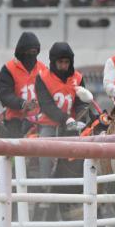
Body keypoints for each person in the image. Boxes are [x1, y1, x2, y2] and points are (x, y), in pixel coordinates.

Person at [35, 42, 89, 177]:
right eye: (60, 62)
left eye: (67, 62)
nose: (64, 66)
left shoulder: (78, 78)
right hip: (49, 125)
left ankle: (85, 181)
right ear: (53, 61)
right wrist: (66, 119)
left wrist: (82, 115)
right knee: (44, 151)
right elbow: (47, 105)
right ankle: (44, 184)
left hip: (73, 126)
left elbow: (81, 102)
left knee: (87, 149)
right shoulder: (42, 77)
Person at [0, 32, 46, 138]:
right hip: (16, 119)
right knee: (13, 144)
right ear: (21, 52)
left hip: (39, 118)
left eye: (34, 52)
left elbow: (50, 92)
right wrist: (23, 104)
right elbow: (5, 94)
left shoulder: (43, 69)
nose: (31, 55)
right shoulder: (9, 69)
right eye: (28, 52)